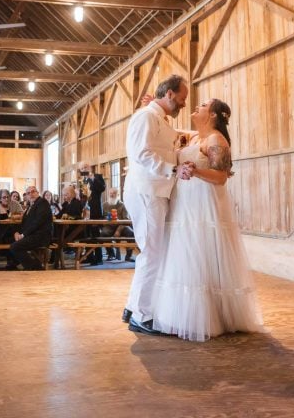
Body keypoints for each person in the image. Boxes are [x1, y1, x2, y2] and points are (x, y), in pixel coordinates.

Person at [152, 99, 264, 341]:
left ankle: (209, 316)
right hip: (185, 205)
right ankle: (181, 315)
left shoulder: (215, 139)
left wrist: (195, 171)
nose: (196, 106)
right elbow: (168, 129)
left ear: (213, 115)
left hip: (204, 205)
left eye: (202, 105)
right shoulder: (195, 138)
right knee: (186, 255)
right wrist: (155, 107)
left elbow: (221, 176)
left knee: (202, 253)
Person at [123, 74, 192, 335]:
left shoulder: (159, 119)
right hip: (147, 191)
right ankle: (142, 315)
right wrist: (173, 168)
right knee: (152, 253)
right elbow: (140, 153)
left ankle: (132, 306)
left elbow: (174, 138)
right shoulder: (145, 117)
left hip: (155, 191)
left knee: (152, 252)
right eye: (182, 99)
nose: (184, 104)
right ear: (170, 94)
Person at [7, 186, 52, 271]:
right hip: (32, 235)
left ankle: (35, 267)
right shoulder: (30, 206)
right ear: (26, 196)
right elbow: (25, 224)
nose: (31, 194)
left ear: (38, 193)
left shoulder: (42, 203)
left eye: (33, 192)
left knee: (15, 247)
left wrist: (23, 235)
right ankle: (12, 263)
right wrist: (17, 232)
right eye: (28, 193)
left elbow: (38, 222)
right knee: (8, 239)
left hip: (41, 236)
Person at [101, 187, 134, 261]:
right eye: (110, 193)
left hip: (121, 226)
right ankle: (111, 254)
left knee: (131, 233)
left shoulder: (122, 205)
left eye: (114, 193)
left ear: (118, 195)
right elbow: (101, 217)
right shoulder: (104, 205)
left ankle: (128, 256)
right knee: (103, 234)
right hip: (109, 226)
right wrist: (106, 220)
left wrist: (119, 230)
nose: (112, 195)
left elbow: (126, 220)